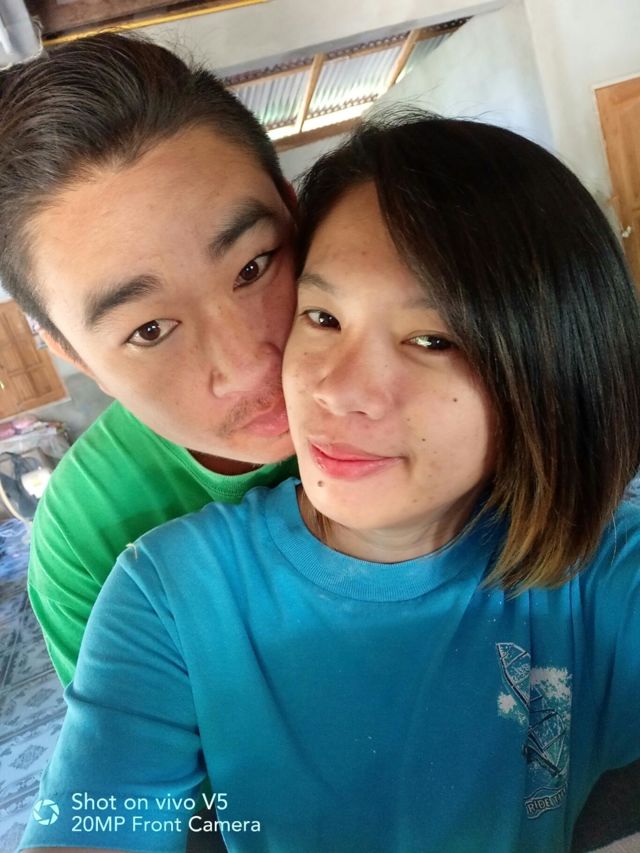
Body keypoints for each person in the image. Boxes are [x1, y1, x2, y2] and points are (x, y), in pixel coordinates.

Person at [19, 113, 640, 853]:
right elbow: (111, 809)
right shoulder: (157, 586)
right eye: (323, 317)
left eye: (432, 339)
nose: (322, 388)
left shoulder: (599, 572)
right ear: (71, 354)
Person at [0, 33, 298, 687]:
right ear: (74, 355)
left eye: (253, 266)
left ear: (292, 211)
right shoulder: (87, 540)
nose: (250, 367)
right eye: (151, 329)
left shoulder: (445, 371)